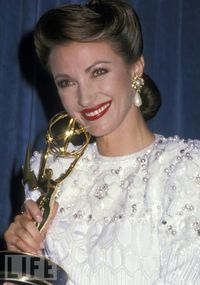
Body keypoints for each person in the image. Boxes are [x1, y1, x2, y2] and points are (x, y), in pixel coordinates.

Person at [4, 0, 200, 284]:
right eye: (66, 82)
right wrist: (21, 260)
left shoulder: (187, 170)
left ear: (135, 69)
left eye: (98, 72)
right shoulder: (53, 170)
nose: (84, 98)